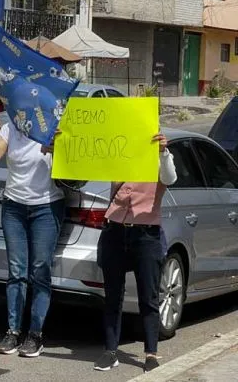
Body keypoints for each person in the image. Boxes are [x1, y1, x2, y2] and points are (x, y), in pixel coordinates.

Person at [93, 133, 176, 374]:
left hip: (146, 234)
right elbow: (88, 164)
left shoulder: (159, 157)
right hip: (115, 230)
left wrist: (163, 151)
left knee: (148, 295)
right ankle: (111, 350)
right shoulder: (118, 154)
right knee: (112, 295)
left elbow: (170, 177)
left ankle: (151, 352)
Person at [0, 113, 65, 358]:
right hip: (13, 207)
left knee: (40, 270)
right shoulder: (11, 128)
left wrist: (57, 148)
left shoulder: (54, 126)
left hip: (46, 206)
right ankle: (13, 331)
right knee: (16, 271)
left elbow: (74, 168)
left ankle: (35, 334)